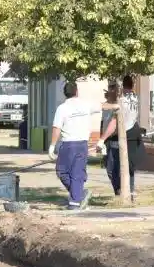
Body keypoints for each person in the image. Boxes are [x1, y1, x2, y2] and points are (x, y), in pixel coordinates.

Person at [49, 80, 97, 211]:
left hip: (71, 144)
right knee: (68, 172)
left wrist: (52, 146)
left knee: (69, 172)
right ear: (77, 91)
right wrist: (115, 105)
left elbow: (56, 128)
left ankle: (75, 202)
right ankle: (79, 195)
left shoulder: (63, 108)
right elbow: (102, 106)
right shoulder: (83, 105)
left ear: (65, 93)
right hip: (78, 144)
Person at [99, 81, 140, 199]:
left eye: (113, 88)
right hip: (108, 141)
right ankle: (118, 191)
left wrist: (104, 137)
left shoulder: (122, 104)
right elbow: (103, 123)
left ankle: (126, 191)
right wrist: (102, 140)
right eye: (109, 88)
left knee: (123, 167)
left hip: (120, 139)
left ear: (118, 90)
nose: (110, 90)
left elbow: (117, 123)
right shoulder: (106, 106)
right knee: (110, 169)